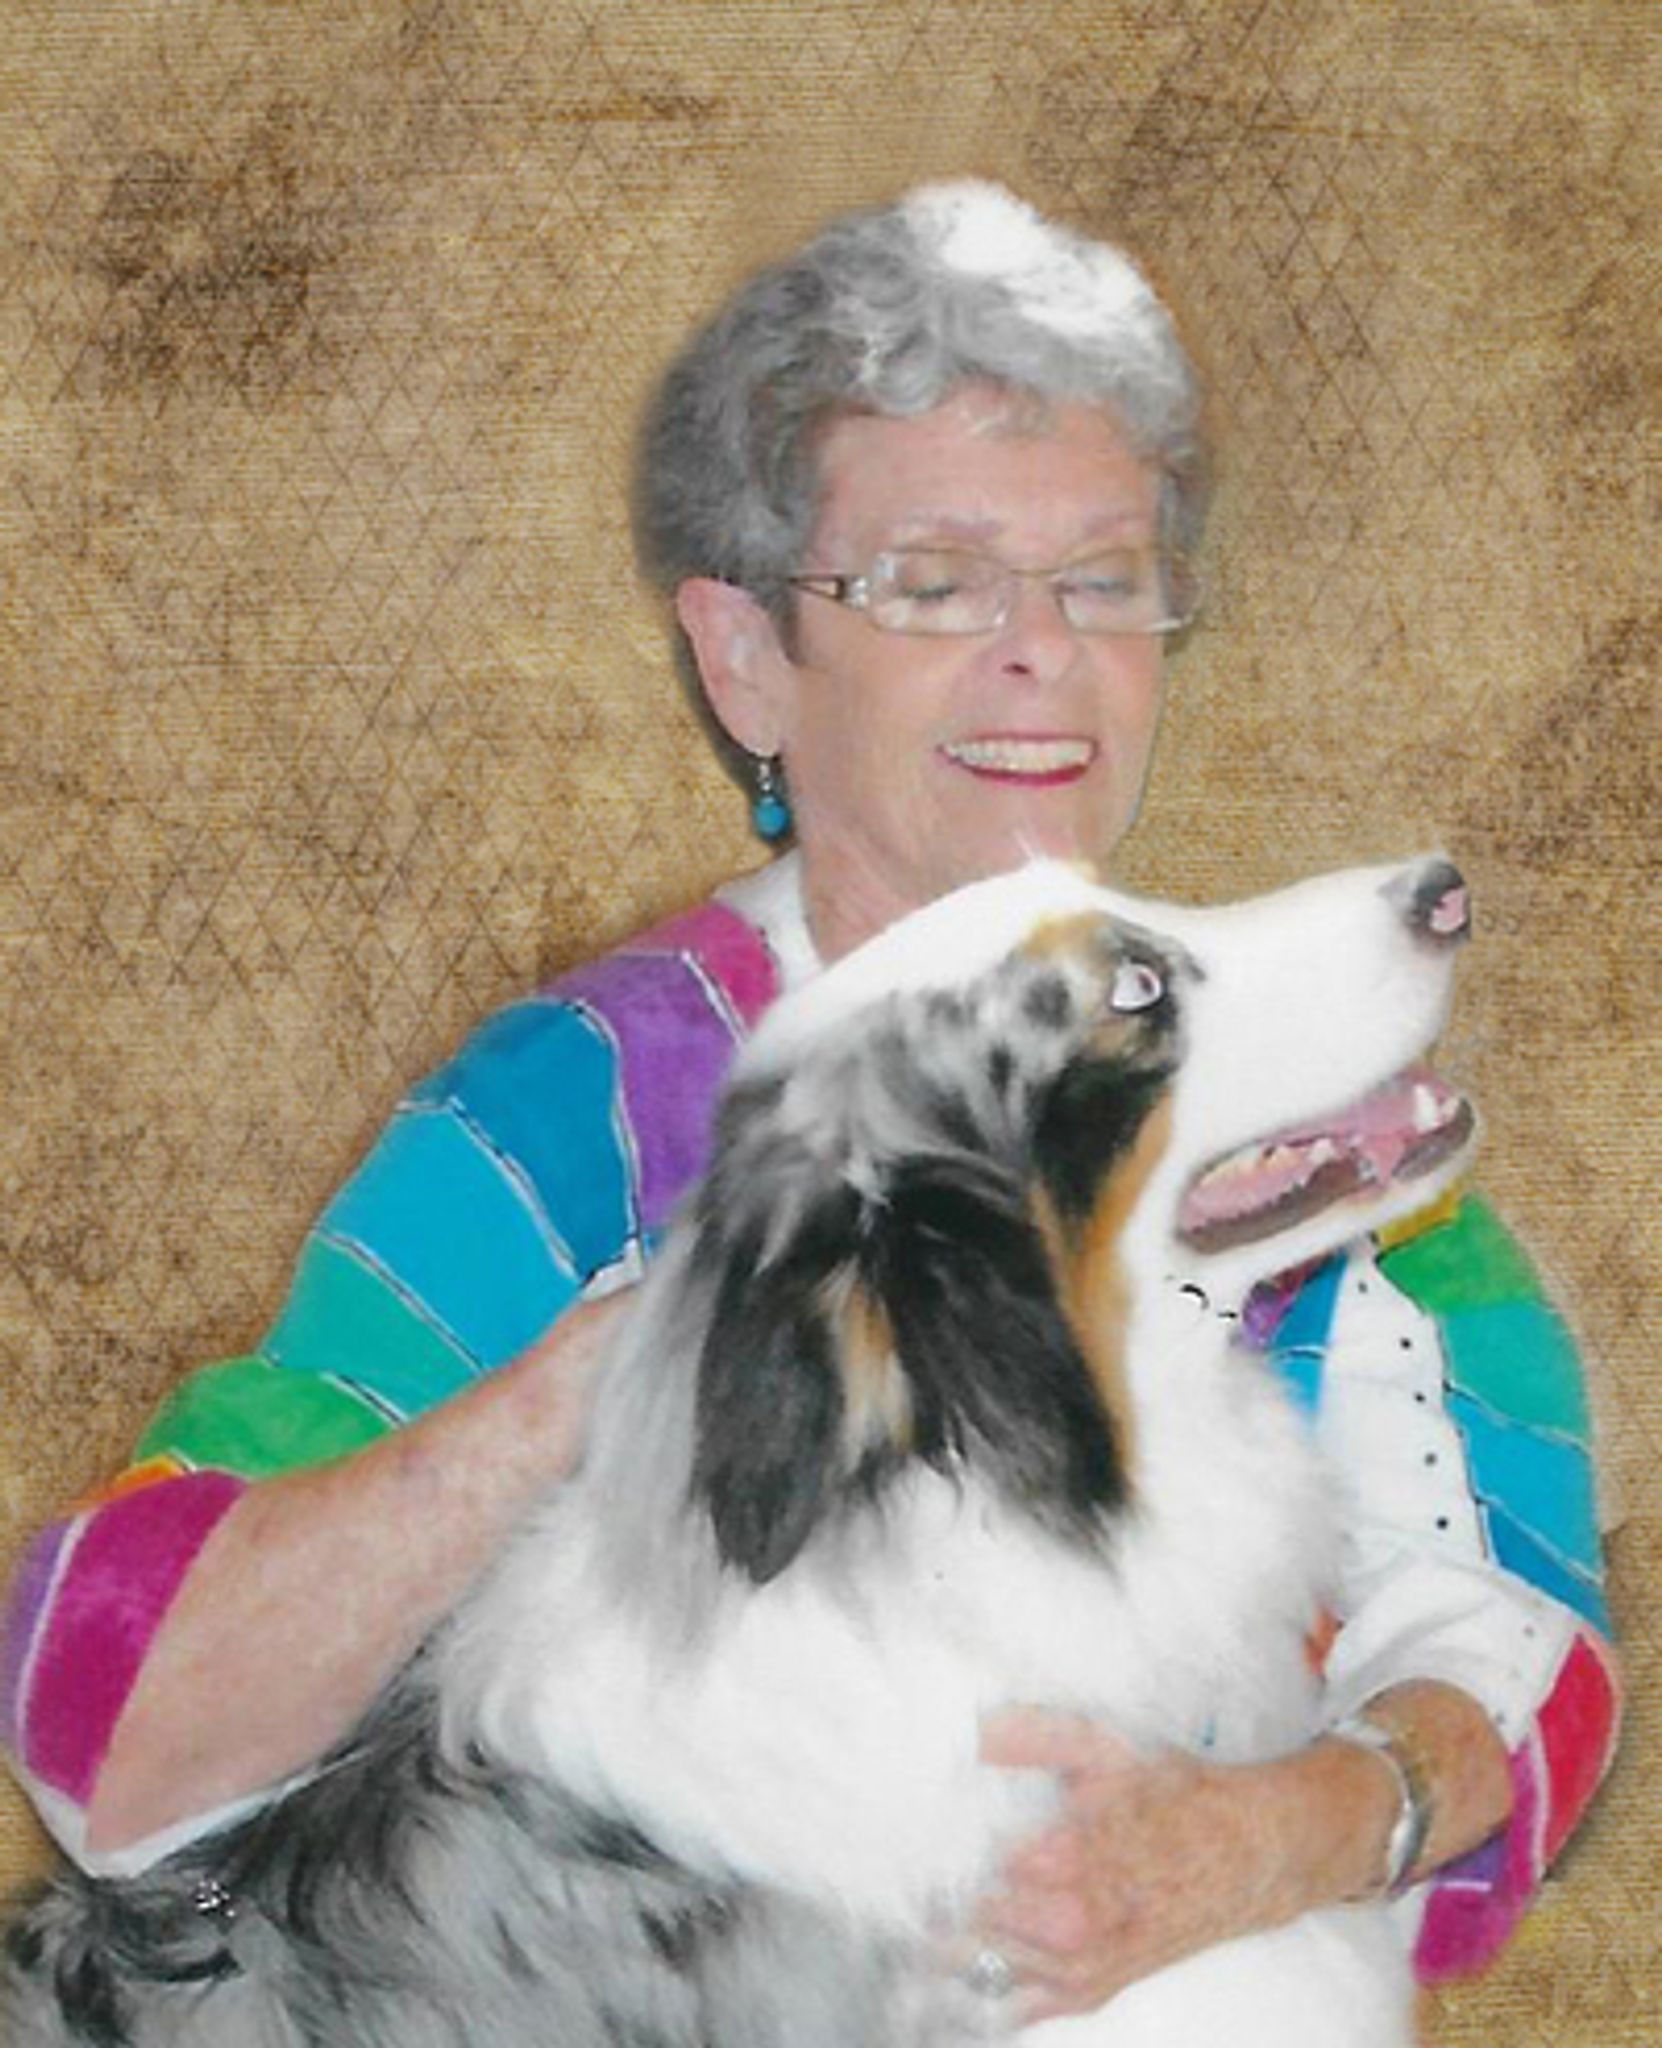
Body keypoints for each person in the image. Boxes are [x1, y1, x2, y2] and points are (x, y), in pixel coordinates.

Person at [0, 181, 1619, 2022]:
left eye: (1101, 579)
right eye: (933, 581)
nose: (1040, 649)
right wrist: (615, 1375)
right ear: (747, 658)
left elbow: (1529, 1648)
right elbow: (105, 1726)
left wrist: (1285, 1829)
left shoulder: (1326, 1137)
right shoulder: (576, 1108)